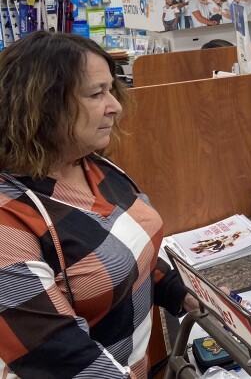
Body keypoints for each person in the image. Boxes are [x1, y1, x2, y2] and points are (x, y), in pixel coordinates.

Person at [0, 32, 197, 377]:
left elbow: (130, 249)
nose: (115, 106)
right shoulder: (9, 222)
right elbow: (65, 360)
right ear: (41, 106)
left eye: (111, 89)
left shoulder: (89, 163)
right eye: (96, 94)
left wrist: (181, 292)